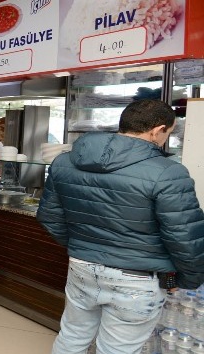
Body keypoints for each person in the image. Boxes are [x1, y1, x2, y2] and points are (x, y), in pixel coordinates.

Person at [36, 99, 204, 354]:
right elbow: (184, 237)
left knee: (72, 336)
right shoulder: (169, 172)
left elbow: (49, 216)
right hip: (137, 278)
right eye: (167, 134)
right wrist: (188, 279)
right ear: (158, 130)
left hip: (81, 267)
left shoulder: (64, 162)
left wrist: (82, 247)